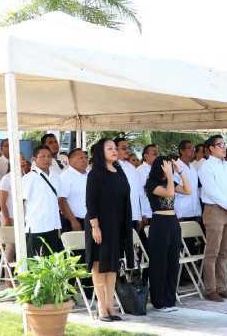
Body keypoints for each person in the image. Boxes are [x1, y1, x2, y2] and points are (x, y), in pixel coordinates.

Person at [85, 138, 134, 322]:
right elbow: (91, 202)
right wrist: (95, 227)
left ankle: (111, 305)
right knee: (99, 266)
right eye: (110, 148)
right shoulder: (95, 173)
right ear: (101, 151)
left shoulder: (119, 171)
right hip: (99, 225)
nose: (114, 151)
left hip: (116, 226)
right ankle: (101, 307)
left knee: (112, 266)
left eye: (115, 148)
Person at [145, 155, 192, 312]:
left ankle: (170, 300)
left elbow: (188, 190)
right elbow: (170, 193)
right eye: (168, 165)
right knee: (160, 263)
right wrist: (171, 177)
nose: (170, 168)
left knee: (173, 262)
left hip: (173, 222)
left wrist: (180, 172)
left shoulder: (171, 180)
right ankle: (159, 301)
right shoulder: (152, 183)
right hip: (159, 223)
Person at [197, 135, 227, 302]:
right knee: (212, 252)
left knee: (225, 252)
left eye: (224, 144)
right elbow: (211, 190)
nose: (224, 147)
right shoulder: (205, 166)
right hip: (215, 210)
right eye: (219, 145)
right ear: (211, 149)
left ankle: (222, 287)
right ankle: (210, 289)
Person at [22, 146, 63, 256]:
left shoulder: (56, 176)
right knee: (36, 263)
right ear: (34, 159)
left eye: (49, 156)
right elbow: (21, 201)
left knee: (54, 262)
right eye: (42, 156)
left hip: (53, 225)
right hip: (36, 225)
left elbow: (60, 199)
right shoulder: (29, 178)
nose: (46, 159)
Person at [116, 138, 148, 230]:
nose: (127, 150)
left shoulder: (131, 167)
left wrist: (141, 215)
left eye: (128, 148)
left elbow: (139, 192)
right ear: (115, 149)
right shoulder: (111, 166)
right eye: (123, 148)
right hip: (118, 216)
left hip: (134, 215)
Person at [58, 148, 88, 232]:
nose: (84, 160)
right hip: (74, 221)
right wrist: (73, 221)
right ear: (70, 160)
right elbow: (61, 200)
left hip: (90, 220)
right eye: (80, 158)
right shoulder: (66, 176)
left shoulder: (90, 174)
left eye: (86, 157)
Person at [174, 140, 202, 225]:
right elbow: (173, 188)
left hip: (196, 211)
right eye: (189, 148)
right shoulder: (175, 166)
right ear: (181, 151)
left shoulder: (193, 167)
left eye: (193, 148)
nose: (193, 150)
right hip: (182, 212)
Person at [0, 156, 30, 227]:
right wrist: (7, 219)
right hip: (10, 217)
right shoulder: (6, 178)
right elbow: (2, 203)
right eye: (19, 160)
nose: (22, 162)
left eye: (23, 159)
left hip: (24, 218)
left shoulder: (27, 177)